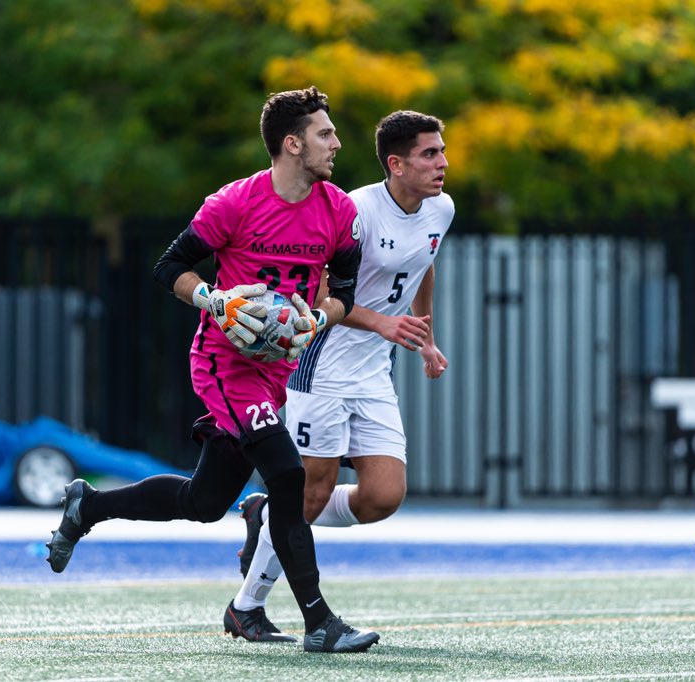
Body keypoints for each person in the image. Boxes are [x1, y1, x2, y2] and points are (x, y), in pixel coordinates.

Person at [45, 86, 379, 653]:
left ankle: (88, 506)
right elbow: (168, 266)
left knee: (204, 504)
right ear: (292, 144)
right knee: (288, 475)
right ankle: (320, 622)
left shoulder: (340, 212)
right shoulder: (234, 202)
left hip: (276, 369)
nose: (337, 143)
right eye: (326, 133)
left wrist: (316, 320)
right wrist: (214, 298)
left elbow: (343, 290)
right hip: (224, 363)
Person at [224, 110, 453, 640]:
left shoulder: (442, 208)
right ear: (396, 164)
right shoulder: (354, 211)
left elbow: (424, 262)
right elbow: (320, 294)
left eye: (441, 151)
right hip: (321, 363)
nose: (442, 163)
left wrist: (427, 339)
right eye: (429, 153)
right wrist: (382, 323)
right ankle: (246, 608)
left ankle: (267, 513)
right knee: (308, 494)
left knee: (382, 497)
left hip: (374, 371)